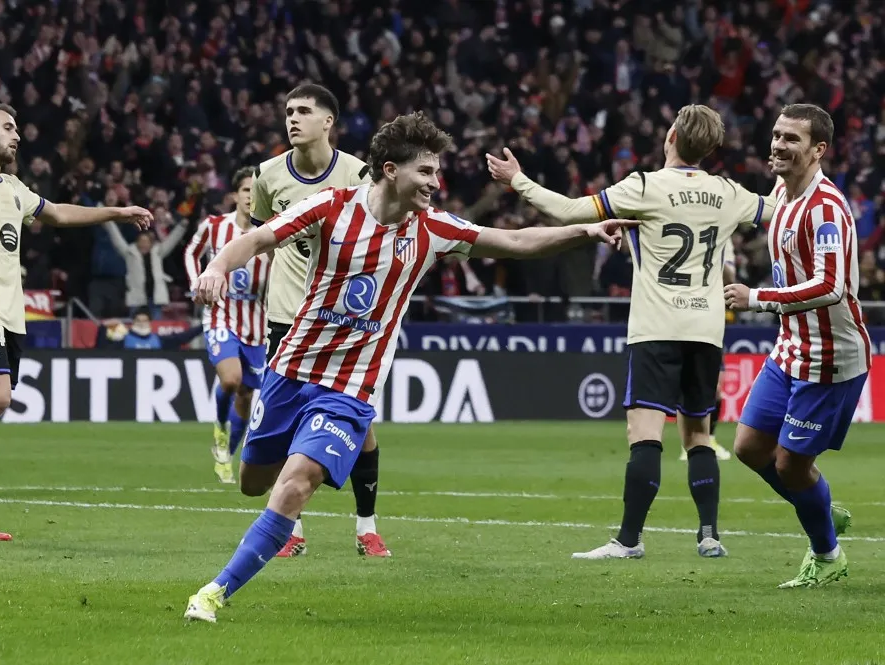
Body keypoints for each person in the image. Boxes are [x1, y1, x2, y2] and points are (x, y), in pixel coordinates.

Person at [183, 112, 636, 623]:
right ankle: (259, 484)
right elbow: (259, 240)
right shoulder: (330, 209)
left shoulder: (433, 229)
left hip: (350, 390)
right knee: (253, 482)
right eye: (426, 173)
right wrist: (219, 266)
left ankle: (214, 592)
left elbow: (512, 242)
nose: (435, 183)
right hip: (290, 371)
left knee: (296, 484)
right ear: (391, 170)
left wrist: (587, 231)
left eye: (436, 174)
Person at [486, 104, 776, 559]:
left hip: (657, 327)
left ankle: (628, 540)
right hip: (706, 330)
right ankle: (709, 534)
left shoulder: (644, 187)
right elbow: (779, 211)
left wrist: (517, 180)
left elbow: (568, 210)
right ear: (712, 148)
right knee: (698, 434)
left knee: (644, 433)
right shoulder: (728, 193)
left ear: (673, 136)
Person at [0, 101, 152, 541]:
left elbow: (58, 212)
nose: (17, 135)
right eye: (8, 126)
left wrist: (117, 212)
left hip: (9, 312)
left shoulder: (14, 188)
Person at [725, 103, 867, 588]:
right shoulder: (782, 193)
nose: (779, 145)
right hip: (791, 348)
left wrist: (756, 298)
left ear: (818, 150)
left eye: (792, 139)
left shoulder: (826, 209)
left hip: (830, 358)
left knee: (790, 463)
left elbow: (830, 286)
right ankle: (820, 503)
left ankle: (828, 555)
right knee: (748, 447)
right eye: (777, 135)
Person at [249, 83, 388, 558]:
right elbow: (261, 234)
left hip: (344, 322)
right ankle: (293, 531)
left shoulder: (359, 174)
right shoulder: (267, 176)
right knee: (289, 427)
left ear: (328, 122)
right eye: (288, 111)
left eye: (304, 111)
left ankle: (366, 526)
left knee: (362, 428)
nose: (293, 119)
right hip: (287, 317)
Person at [184, 167, 270, 484]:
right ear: (234, 195)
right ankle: (221, 428)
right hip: (221, 315)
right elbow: (192, 252)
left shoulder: (271, 233)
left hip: (258, 326)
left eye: (256, 191)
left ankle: (226, 454)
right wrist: (197, 284)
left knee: (246, 395)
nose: (251, 197)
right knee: (232, 380)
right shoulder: (215, 226)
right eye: (246, 190)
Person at [679, 237, 735, 462]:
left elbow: (731, 278)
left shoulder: (724, 239)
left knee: (716, 389)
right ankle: (688, 443)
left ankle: (708, 438)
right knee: (690, 386)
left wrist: (717, 259)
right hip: (686, 316)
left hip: (713, 320)